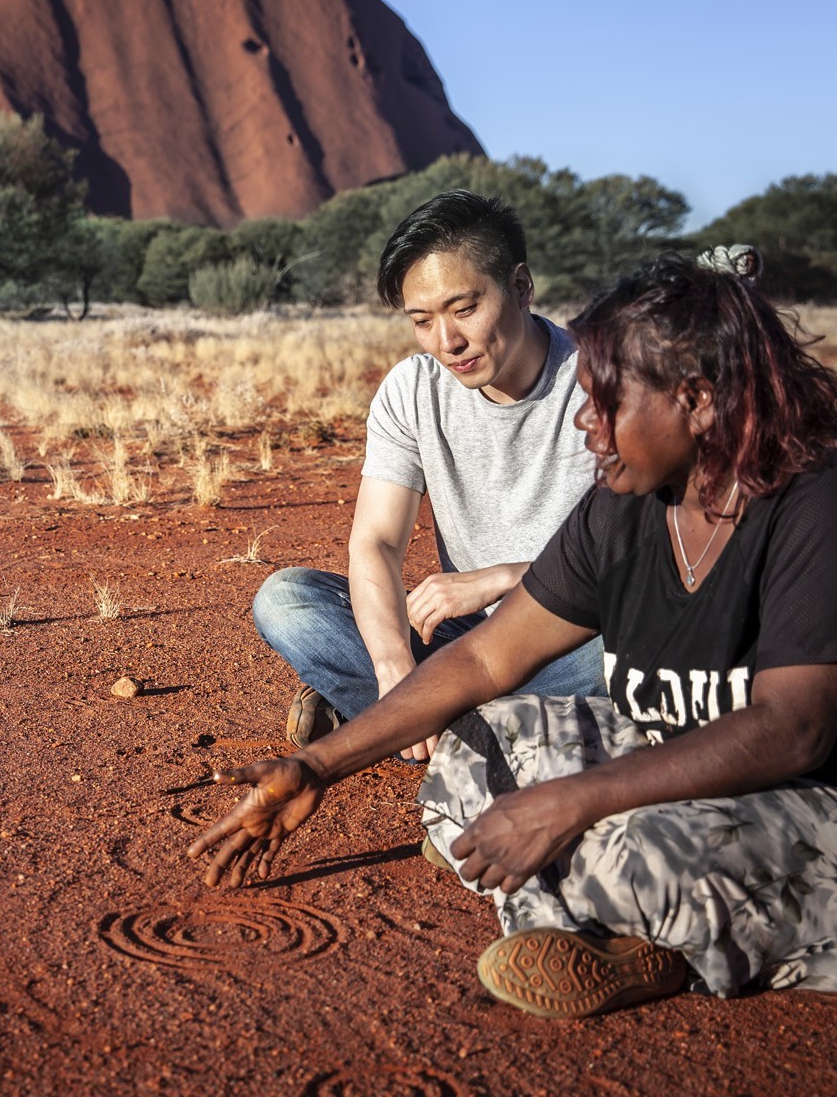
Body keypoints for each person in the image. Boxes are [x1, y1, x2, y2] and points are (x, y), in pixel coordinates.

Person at [190, 255, 837, 1017]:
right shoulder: (631, 502)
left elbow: (793, 729)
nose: (586, 424)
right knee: (474, 745)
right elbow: (484, 655)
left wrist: (564, 802)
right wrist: (315, 766)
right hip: (745, 786)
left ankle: (645, 933)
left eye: (607, 399)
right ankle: (625, 922)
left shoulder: (835, 488)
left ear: (699, 399)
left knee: (619, 844)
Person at [253, 190, 604, 759]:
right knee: (287, 601)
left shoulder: (602, 381)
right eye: (423, 320)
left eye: (464, 309)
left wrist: (507, 576)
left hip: (569, 634)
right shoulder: (412, 389)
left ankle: (419, 722)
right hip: (463, 643)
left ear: (520, 287)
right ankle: (473, 724)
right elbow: (378, 541)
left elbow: (649, 561)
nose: (448, 342)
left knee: (624, 649)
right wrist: (394, 666)